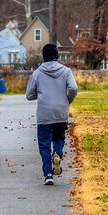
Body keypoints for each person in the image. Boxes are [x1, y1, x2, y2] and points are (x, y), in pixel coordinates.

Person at [26, 43, 78, 186]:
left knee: (44, 145)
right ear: (57, 56)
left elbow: (29, 95)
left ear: (43, 56)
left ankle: (48, 174)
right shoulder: (66, 71)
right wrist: (68, 100)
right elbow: (73, 87)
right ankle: (58, 154)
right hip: (61, 112)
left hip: (44, 114)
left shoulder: (37, 73)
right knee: (59, 138)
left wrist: (41, 93)